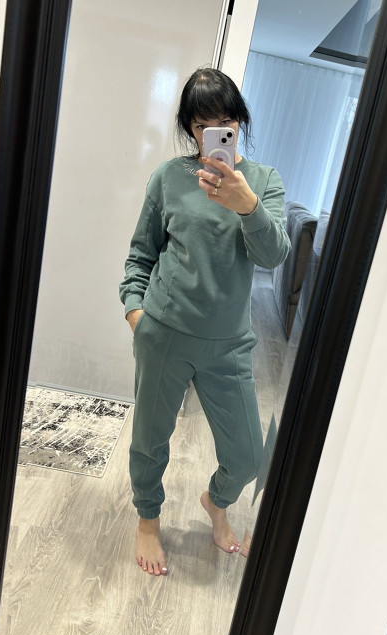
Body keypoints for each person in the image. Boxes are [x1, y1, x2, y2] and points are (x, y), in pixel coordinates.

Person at [118, 67, 291, 577]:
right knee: (150, 438)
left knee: (248, 456)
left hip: (228, 344)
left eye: (226, 121)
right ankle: (148, 519)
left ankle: (216, 502)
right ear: (190, 129)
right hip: (163, 331)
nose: (215, 132)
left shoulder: (263, 182)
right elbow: (140, 254)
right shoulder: (169, 177)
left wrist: (247, 206)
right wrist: (136, 312)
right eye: (202, 125)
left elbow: (274, 256)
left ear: (240, 121)